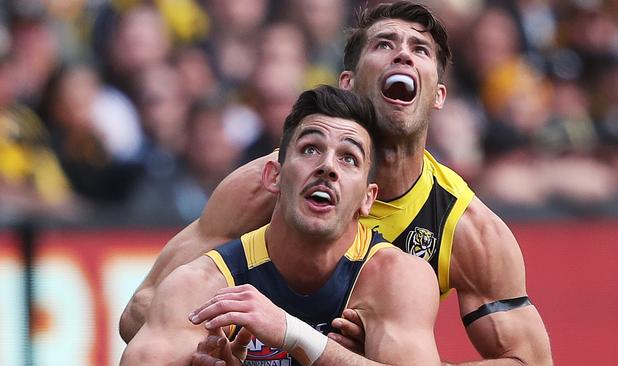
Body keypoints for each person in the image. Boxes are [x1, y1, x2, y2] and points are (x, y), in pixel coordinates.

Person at [120, 2, 553, 364]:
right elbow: (140, 313)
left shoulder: (466, 227)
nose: (402, 55)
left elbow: (531, 361)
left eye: (419, 49)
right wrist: (216, 349)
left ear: (438, 94)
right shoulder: (267, 183)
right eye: (384, 44)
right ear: (348, 82)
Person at [119, 85, 442, 365]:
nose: (328, 166)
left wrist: (294, 335)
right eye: (311, 149)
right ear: (274, 175)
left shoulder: (396, 278)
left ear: (368, 199)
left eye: (348, 158)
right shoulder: (203, 285)